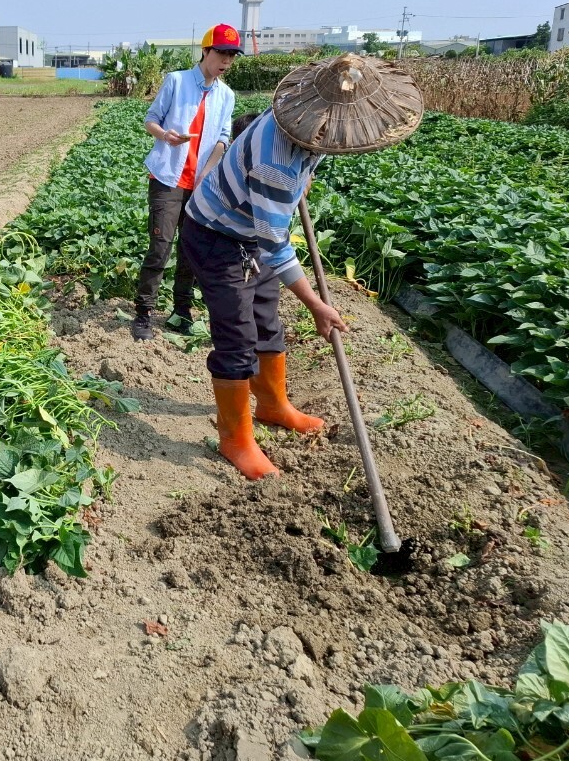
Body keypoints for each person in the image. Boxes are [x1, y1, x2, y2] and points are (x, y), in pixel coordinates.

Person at [181, 54, 424, 480]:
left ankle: (273, 405)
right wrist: (316, 305)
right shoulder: (277, 166)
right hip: (216, 235)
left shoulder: (307, 119)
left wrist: (305, 173)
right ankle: (235, 439)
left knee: (266, 320)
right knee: (237, 336)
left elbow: (289, 191)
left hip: (249, 230)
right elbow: (275, 246)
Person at [131, 23, 241, 342]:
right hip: (167, 177)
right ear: (205, 51)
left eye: (232, 55)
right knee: (160, 247)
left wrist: (208, 171)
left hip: (200, 185)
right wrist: (165, 135)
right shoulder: (177, 81)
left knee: (191, 251)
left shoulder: (226, 95)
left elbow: (223, 137)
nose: (226, 61)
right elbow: (151, 119)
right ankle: (143, 313)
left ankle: (181, 311)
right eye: (221, 53)